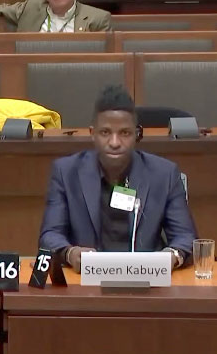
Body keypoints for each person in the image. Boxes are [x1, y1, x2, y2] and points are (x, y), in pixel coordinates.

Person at [38, 85, 196, 271]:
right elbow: (49, 236)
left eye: (124, 133)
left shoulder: (164, 173)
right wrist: (70, 253)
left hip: (146, 280)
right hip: (87, 282)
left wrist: (171, 256)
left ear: (137, 134)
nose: (114, 143)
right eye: (105, 132)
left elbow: (186, 237)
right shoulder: (66, 172)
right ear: (92, 134)